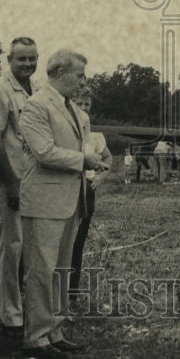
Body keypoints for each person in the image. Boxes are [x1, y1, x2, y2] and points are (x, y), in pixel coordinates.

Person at [18, 49, 106, 359]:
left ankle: (54, 330)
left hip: (71, 201)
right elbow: (44, 152)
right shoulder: (36, 106)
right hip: (44, 201)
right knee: (40, 270)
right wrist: (85, 159)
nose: (84, 82)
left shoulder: (75, 110)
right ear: (59, 73)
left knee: (61, 270)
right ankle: (36, 336)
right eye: (79, 75)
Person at [0, 37, 39, 338]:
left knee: (29, 248)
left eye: (32, 59)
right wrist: (12, 183)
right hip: (10, 181)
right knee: (11, 248)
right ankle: (10, 316)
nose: (27, 64)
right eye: (21, 59)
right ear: (9, 60)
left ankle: (27, 309)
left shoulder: (37, 90)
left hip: (32, 180)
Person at [69, 88, 112, 303]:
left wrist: (99, 179)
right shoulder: (66, 131)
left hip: (86, 189)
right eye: (79, 104)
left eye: (87, 105)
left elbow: (108, 160)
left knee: (78, 241)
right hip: (66, 187)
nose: (84, 109)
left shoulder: (95, 136)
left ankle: (72, 292)